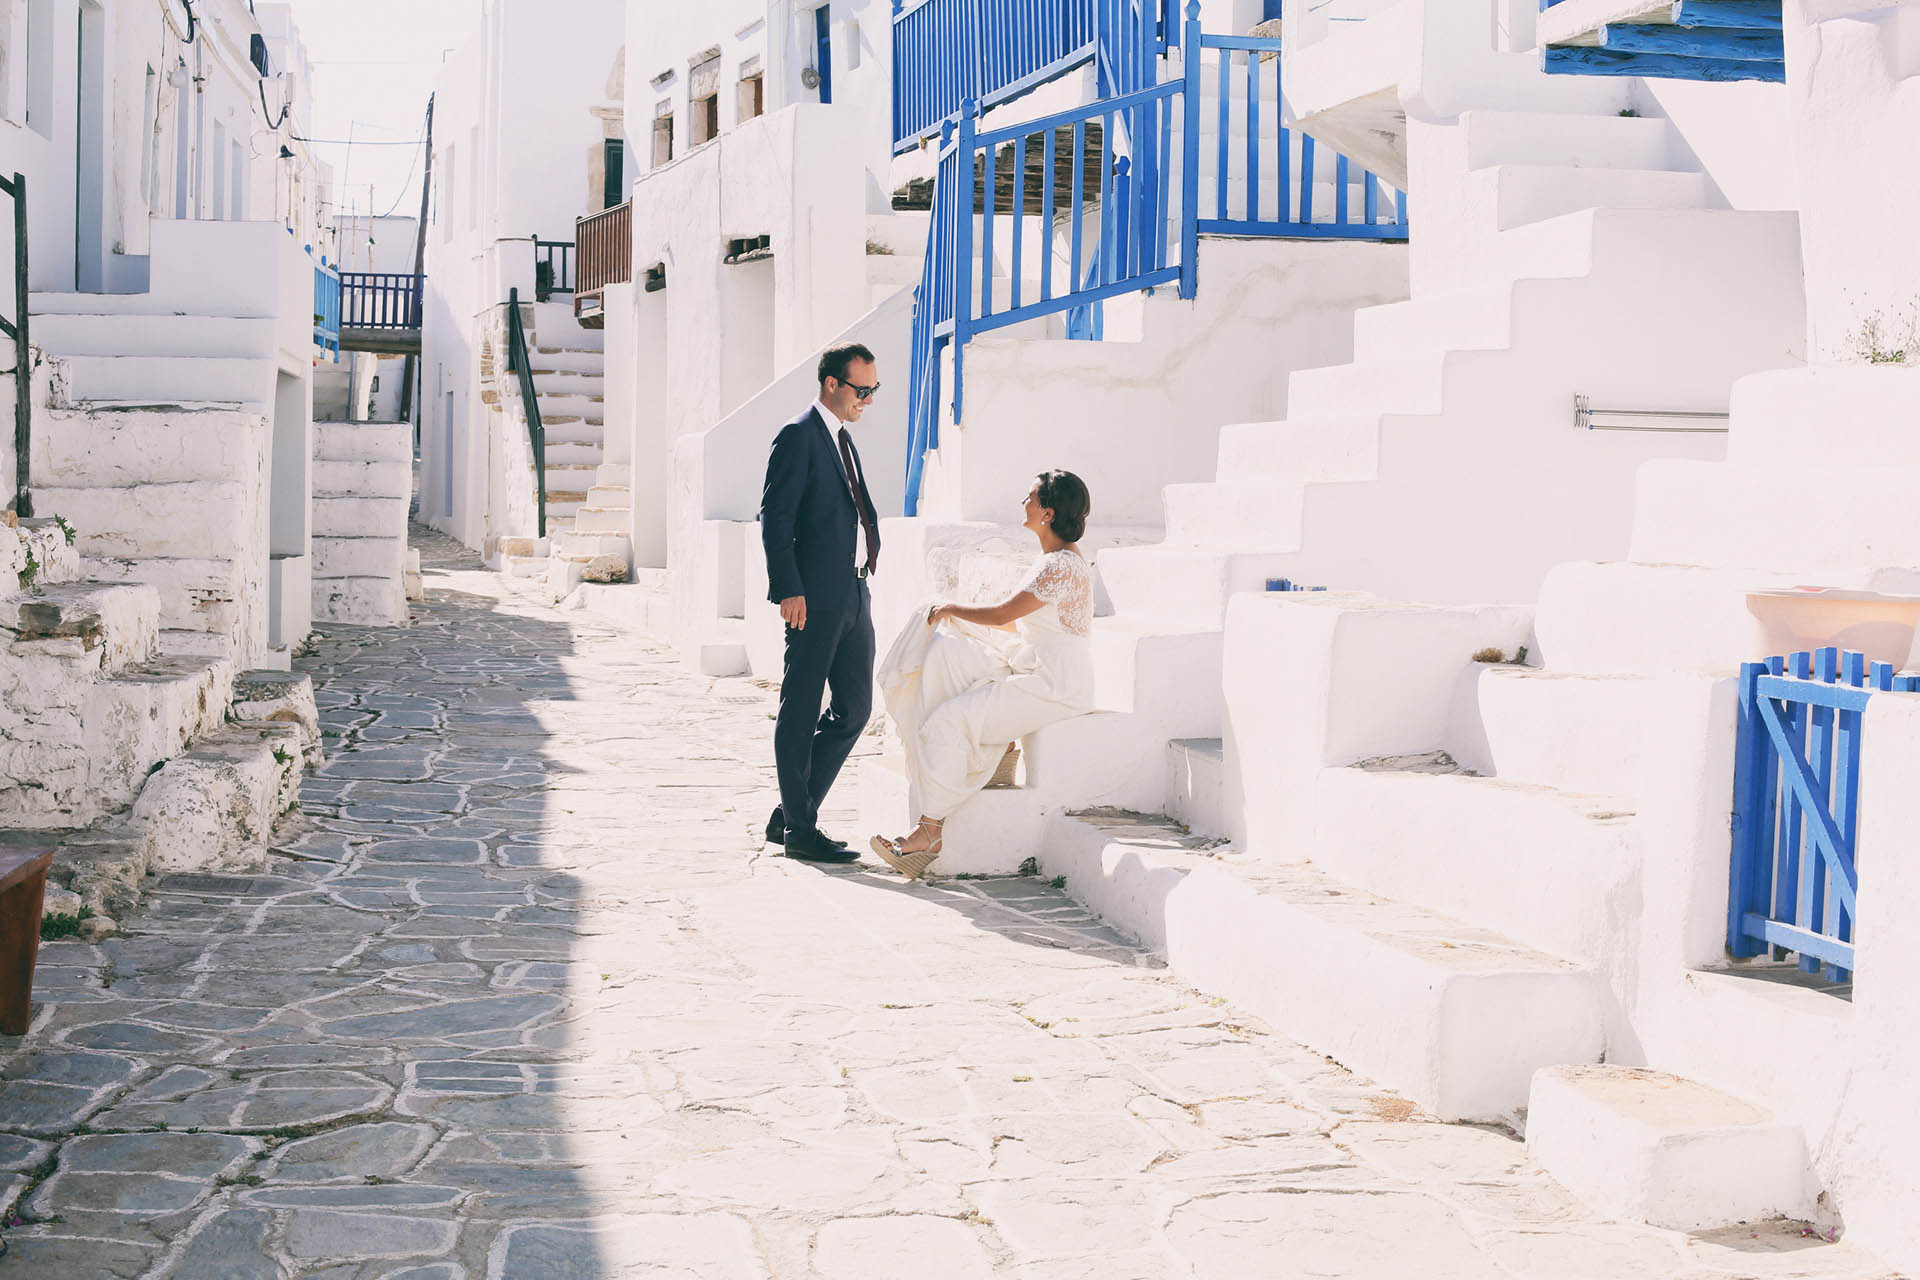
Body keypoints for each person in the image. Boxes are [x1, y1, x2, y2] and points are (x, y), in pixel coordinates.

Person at [870, 470, 1095, 879]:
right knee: (949, 649)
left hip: (1054, 684)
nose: (1021, 503)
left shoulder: (1060, 565)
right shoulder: (1054, 559)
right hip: (1034, 664)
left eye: (1028, 497)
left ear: (1046, 513)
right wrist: (949, 618)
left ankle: (929, 832)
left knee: (949, 720)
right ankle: (1001, 750)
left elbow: (1004, 614)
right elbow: (1016, 624)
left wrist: (951, 608)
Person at [760, 344, 885, 863]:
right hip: (813, 599)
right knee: (801, 708)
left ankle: (791, 812)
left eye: (874, 390)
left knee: (855, 709)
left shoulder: (843, 439)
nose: (869, 400)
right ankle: (801, 832)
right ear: (831, 384)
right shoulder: (798, 436)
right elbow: (776, 517)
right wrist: (789, 588)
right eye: (862, 390)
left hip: (854, 593)